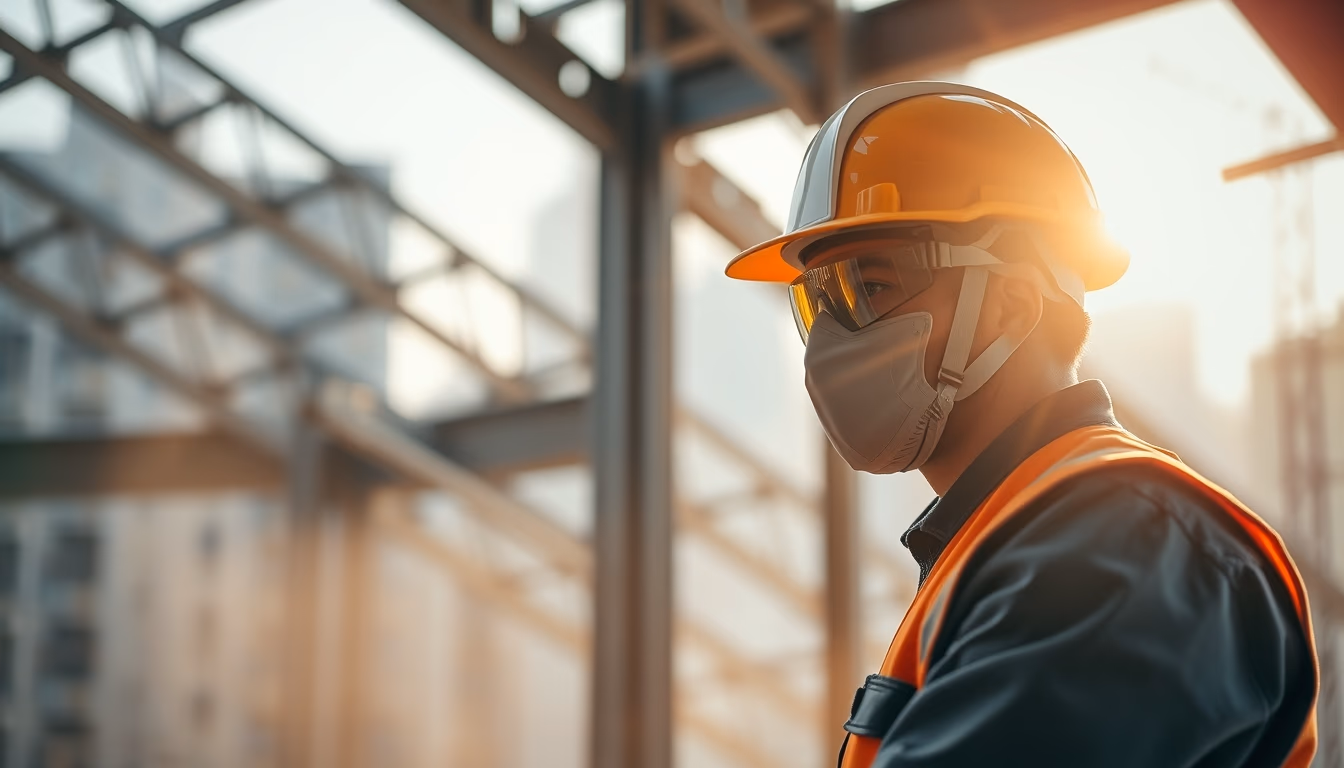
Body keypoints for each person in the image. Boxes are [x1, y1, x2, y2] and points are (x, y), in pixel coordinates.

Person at [725, 82, 1318, 767]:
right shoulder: (1008, 540)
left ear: (1009, 306)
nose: (828, 340)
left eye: (871, 286)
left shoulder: (1122, 543)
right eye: (816, 301)